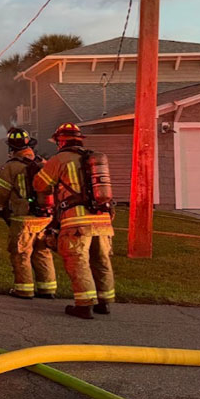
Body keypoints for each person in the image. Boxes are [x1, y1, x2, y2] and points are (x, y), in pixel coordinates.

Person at [34, 123, 115, 320]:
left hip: (76, 221)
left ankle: (84, 305)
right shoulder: (93, 159)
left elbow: (39, 184)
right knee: (101, 260)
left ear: (60, 141)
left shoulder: (61, 159)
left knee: (78, 261)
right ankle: (104, 302)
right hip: (102, 220)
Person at [0, 128, 57, 300]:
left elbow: (1, 192)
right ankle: (47, 289)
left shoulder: (11, 167)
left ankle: (24, 289)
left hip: (24, 218)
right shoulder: (43, 163)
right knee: (42, 252)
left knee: (21, 253)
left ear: (11, 147)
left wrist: (1, 207)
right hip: (45, 216)